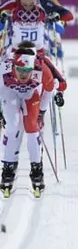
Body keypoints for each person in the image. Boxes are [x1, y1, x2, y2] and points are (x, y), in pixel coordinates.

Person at [0, 46, 56, 196]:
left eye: (27, 71)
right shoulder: (4, 67)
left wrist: (42, 111)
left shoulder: (41, 69)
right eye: (20, 70)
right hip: (9, 92)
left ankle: (36, 167)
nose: (24, 75)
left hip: (30, 93)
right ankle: (8, 166)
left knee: (32, 126)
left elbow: (49, 89)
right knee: (12, 126)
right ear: (14, 66)